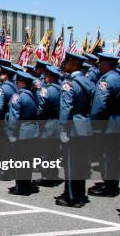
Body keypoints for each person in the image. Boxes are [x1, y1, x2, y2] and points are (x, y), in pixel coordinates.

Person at [56, 52, 95, 208]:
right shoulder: (88, 81)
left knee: (71, 164)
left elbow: (66, 109)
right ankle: (80, 194)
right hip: (85, 125)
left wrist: (63, 129)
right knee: (81, 163)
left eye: (67, 62)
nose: (65, 65)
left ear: (73, 64)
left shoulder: (69, 83)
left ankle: (72, 197)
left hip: (73, 128)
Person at [87, 53, 119, 197]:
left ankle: (109, 187)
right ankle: (112, 184)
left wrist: (94, 122)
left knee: (107, 156)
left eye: (101, 63)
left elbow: (100, 105)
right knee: (114, 156)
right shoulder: (117, 76)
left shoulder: (106, 79)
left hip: (109, 124)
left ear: (106, 65)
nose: (99, 66)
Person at [6, 71, 40, 195]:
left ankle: (20, 187)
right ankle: (27, 184)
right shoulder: (32, 95)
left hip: (21, 132)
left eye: (17, 82)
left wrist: (11, 134)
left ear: (21, 83)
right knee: (28, 160)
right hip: (32, 130)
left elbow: (14, 118)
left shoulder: (18, 96)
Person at [33, 64, 63, 187]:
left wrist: (38, 120)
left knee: (45, 151)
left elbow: (41, 108)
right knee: (54, 152)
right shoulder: (60, 88)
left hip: (47, 124)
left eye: (46, 75)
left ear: (50, 77)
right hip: (57, 123)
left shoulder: (47, 90)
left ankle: (46, 176)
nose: (44, 77)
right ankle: (54, 174)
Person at [0, 60, 18, 180]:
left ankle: (5, 172)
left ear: (6, 75)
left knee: (1, 148)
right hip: (10, 119)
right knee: (9, 147)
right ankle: (10, 171)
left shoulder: (2, 88)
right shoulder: (14, 86)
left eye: (1, 73)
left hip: (3, 120)